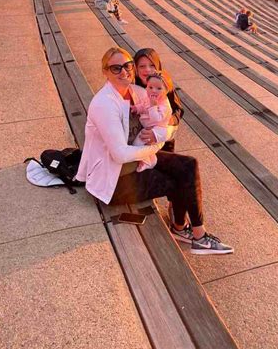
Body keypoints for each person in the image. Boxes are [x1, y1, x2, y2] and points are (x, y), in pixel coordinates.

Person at [76, 47, 233, 254]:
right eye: (116, 68)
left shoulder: (136, 92)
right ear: (105, 72)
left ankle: (192, 232)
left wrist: (162, 135)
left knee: (188, 165)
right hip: (115, 180)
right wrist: (157, 145)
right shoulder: (104, 103)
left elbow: (167, 116)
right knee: (178, 182)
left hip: (137, 161)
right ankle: (193, 234)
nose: (124, 71)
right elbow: (120, 154)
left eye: (127, 66)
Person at [131, 71, 173, 172]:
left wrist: (154, 106)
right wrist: (136, 108)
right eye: (150, 87)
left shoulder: (164, 105)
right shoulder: (148, 98)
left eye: (159, 88)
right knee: (138, 144)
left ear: (166, 90)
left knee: (138, 144)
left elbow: (156, 119)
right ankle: (151, 159)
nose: (153, 91)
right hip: (148, 126)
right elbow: (144, 106)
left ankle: (147, 162)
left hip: (157, 128)